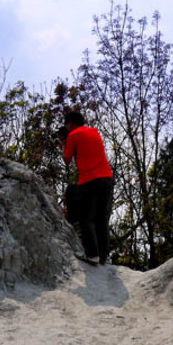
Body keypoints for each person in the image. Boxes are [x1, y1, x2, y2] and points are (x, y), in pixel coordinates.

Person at [60, 110, 113, 265]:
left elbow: (67, 160)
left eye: (66, 124)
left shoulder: (73, 135)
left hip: (89, 180)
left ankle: (92, 255)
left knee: (86, 218)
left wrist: (64, 145)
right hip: (107, 178)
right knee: (101, 219)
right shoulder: (94, 131)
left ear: (70, 123)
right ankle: (105, 256)